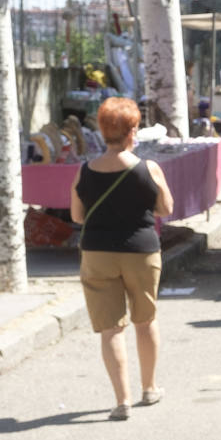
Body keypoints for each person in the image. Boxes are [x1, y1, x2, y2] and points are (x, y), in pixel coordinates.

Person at [70, 97, 175, 421]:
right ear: (133, 131)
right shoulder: (149, 169)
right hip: (141, 253)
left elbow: (77, 216)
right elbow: (166, 209)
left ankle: (122, 401)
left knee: (110, 330)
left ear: (102, 131)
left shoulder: (84, 171)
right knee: (145, 322)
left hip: (98, 254)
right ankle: (149, 388)